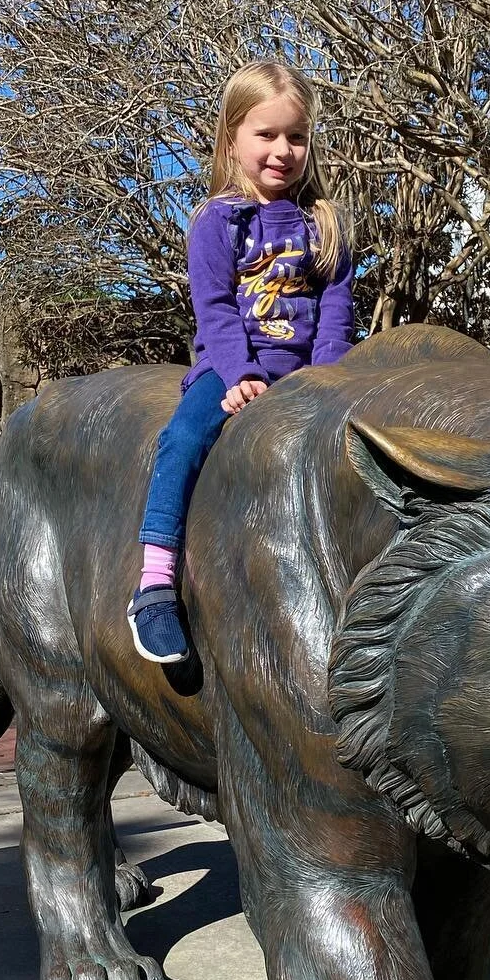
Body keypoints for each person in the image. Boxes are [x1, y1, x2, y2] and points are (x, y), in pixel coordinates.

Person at [127, 61, 355, 664]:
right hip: (233, 367)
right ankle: (154, 583)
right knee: (183, 438)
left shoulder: (324, 224)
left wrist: (328, 379)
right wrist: (239, 376)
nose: (283, 150)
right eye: (267, 135)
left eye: (297, 137)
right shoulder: (217, 221)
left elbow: (335, 310)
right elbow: (216, 310)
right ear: (232, 139)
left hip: (309, 374)